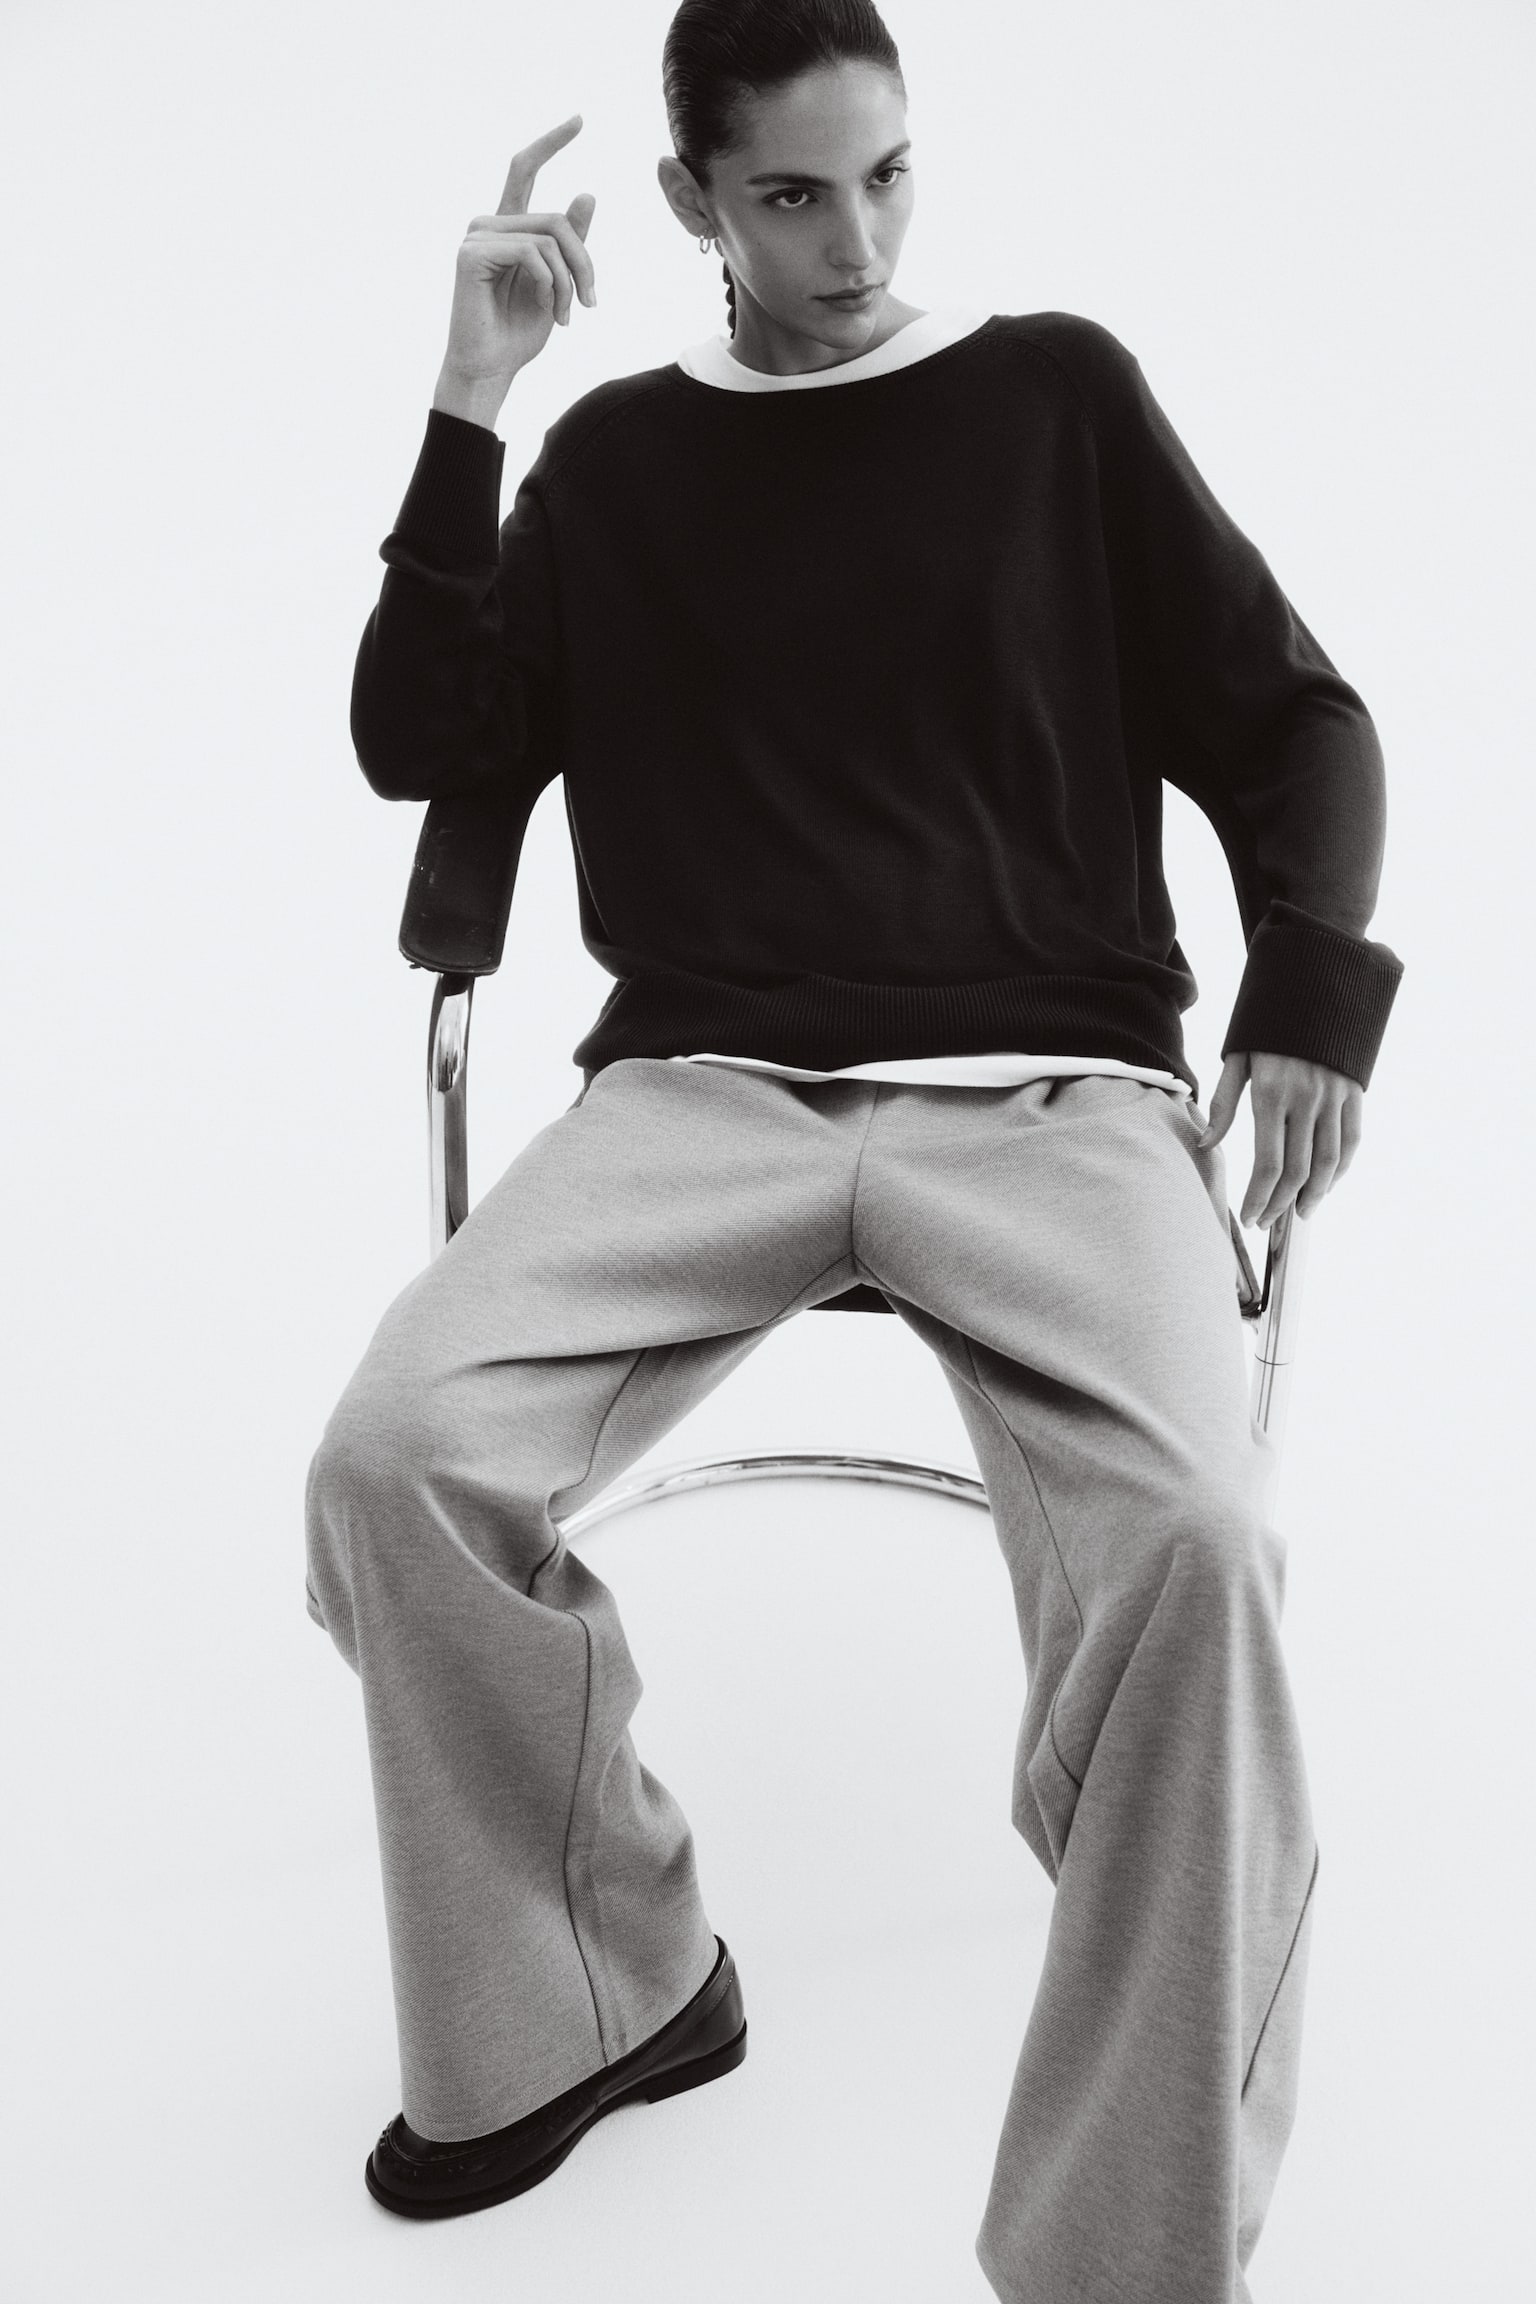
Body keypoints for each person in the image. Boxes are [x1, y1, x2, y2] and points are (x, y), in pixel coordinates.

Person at [304, 3, 1404, 2297]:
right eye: (793, 195)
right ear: (693, 200)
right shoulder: (614, 460)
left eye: (888, 174)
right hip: (702, 1094)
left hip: (1053, 1093)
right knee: (393, 1464)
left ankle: (1124, 2257)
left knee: (1198, 1554)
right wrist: (470, 398)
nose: (858, 239)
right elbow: (422, 742)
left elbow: (1295, 717)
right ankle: (595, 1988)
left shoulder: (1055, 399)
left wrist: (1311, 985)